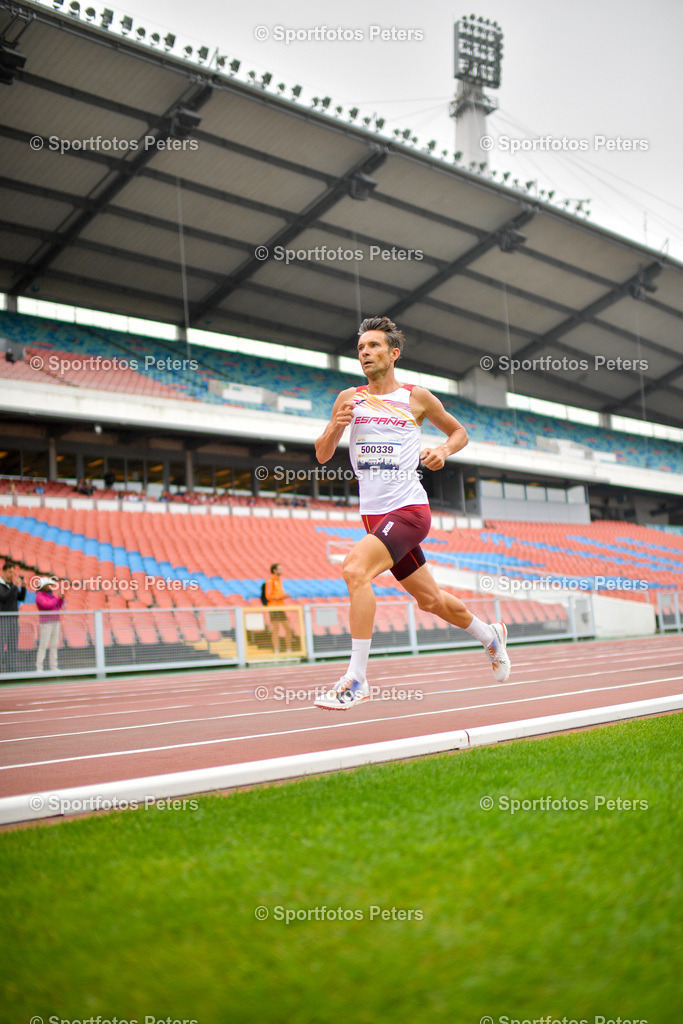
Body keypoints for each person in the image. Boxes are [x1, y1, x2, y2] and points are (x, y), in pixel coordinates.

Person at [314, 315, 511, 710]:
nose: (365, 353)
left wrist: (442, 450)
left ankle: (356, 679)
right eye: (360, 348)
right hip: (373, 516)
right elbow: (321, 454)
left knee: (354, 569)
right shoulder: (348, 398)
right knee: (430, 600)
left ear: (394, 354)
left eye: (373, 346)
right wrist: (336, 426)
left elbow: (459, 432)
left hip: (408, 510)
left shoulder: (416, 397)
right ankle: (490, 635)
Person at [0, 562, 27, 674]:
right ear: (4, 571)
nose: (12, 574)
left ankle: (12, 671)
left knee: (13, 645)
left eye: (13, 572)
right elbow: (3, 597)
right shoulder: (1, 585)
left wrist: (23, 588)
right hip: (3, 619)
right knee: (1, 645)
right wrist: (15, 587)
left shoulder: (12, 585)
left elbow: (20, 598)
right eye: (10, 572)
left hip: (14, 619)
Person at [35, 577, 64, 672]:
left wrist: (60, 599)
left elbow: (58, 606)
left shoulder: (50, 595)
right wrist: (57, 598)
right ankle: (39, 667)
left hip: (55, 621)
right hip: (46, 623)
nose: (51, 586)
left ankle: (53, 667)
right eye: (49, 584)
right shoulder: (39, 595)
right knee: (43, 644)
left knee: (54, 644)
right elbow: (47, 605)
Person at [265, 563, 294, 656]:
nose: (281, 571)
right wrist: (282, 596)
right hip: (274, 608)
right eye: (280, 569)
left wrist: (283, 596)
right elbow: (268, 596)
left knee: (288, 629)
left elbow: (278, 594)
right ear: (274, 570)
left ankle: (288, 650)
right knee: (276, 629)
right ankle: (276, 651)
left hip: (281, 607)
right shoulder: (270, 581)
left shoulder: (279, 580)